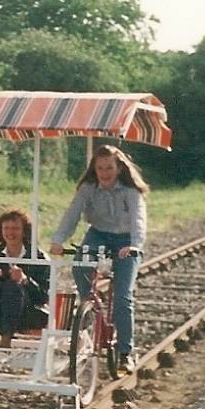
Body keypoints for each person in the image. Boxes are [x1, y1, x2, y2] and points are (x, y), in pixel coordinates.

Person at [49, 144, 149, 373]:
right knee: (80, 265)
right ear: (94, 169)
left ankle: (126, 352)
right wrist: (59, 239)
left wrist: (135, 245)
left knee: (123, 298)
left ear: (119, 168)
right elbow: (72, 214)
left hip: (126, 240)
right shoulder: (88, 189)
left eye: (109, 168)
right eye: (100, 168)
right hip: (98, 234)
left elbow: (138, 220)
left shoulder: (131, 191)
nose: (104, 173)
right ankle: (90, 307)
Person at [0, 208, 50, 349]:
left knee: (13, 287)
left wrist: (25, 281)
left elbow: (44, 296)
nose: (10, 233)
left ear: (24, 231)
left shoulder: (39, 257)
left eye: (16, 228)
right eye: (6, 228)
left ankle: (5, 342)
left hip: (26, 314)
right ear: (0, 230)